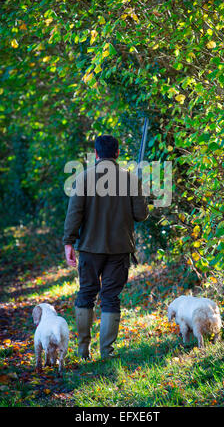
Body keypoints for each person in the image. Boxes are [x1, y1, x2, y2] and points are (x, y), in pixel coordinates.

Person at [63, 134, 149, 359]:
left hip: (90, 248)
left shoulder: (83, 178)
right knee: (110, 297)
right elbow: (141, 215)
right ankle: (107, 352)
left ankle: (83, 350)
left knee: (86, 294)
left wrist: (68, 242)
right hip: (119, 250)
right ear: (117, 153)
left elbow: (74, 214)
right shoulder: (130, 179)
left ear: (97, 153)